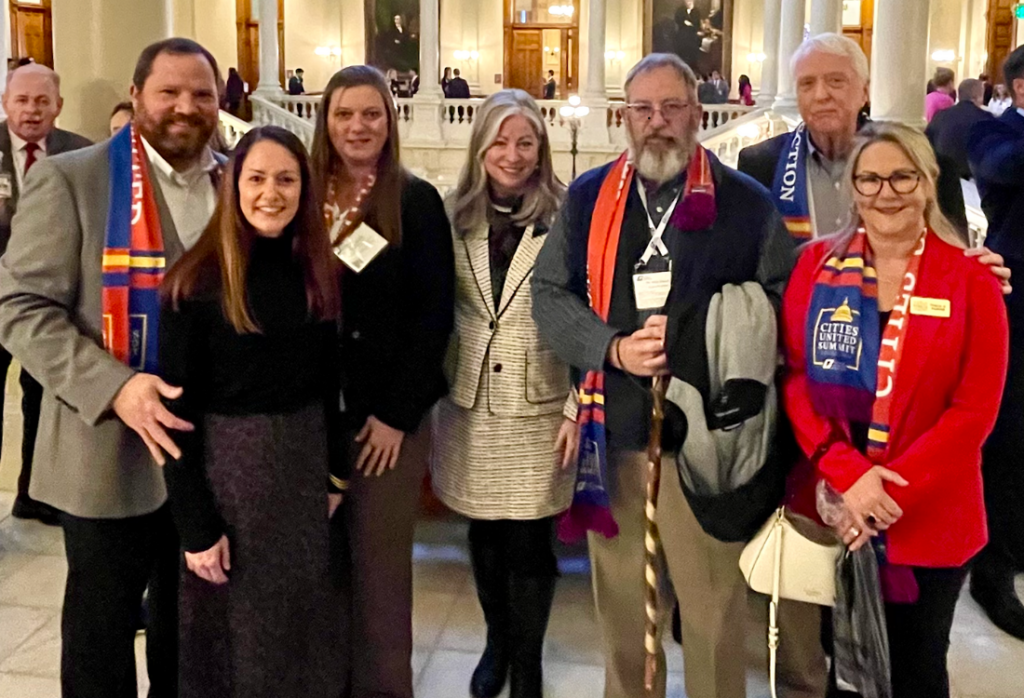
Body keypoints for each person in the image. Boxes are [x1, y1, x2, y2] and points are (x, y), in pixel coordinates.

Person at [532, 53, 794, 698]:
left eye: (672, 107)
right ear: (624, 118)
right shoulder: (589, 196)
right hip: (615, 431)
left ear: (697, 114)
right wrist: (612, 349)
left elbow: (782, 300)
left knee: (711, 614)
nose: (657, 123)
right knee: (624, 613)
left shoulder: (747, 203)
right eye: (643, 110)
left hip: (710, 444)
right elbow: (550, 294)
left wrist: (713, 344)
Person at [0, 37, 223, 698]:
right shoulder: (74, 179)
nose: (186, 107)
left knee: (191, 633)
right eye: (169, 92)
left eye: (202, 94)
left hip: (208, 457)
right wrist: (116, 387)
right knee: (101, 634)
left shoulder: (240, 180)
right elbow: (19, 307)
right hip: (104, 455)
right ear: (136, 96)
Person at [783, 122, 1008, 698]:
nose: (887, 192)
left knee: (917, 662)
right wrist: (849, 478)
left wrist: (886, 496)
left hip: (931, 513)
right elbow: (797, 379)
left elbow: (975, 409)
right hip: (837, 502)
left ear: (928, 183)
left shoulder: (971, 280)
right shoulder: (813, 269)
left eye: (902, 176)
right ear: (853, 188)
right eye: (871, 178)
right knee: (844, 662)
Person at [159, 125, 345, 698]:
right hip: (229, 482)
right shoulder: (195, 282)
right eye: (257, 178)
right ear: (232, 185)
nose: (272, 192)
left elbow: (330, 386)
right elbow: (175, 420)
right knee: (236, 644)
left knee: (302, 633)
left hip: (302, 473)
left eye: (286, 179)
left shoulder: (320, 274)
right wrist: (196, 527)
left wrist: (336, 474)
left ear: (304, 189)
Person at [311, 65, 454, 698]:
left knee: (379, 577)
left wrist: (397, 415)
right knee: (321, 570)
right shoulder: (301, 193)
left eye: (371, 114)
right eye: (345, 114)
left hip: (385, 425)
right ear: (326, 121)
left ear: (389, 121)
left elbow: (434, 318)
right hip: (308, 417)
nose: (358, 126)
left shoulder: (414, 200)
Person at [432, 89, 576, 698]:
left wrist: (580, 404)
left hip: (540, 403)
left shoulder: (568, 216)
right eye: (500, 141)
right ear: (480, 146)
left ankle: (530, 662)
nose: (512, 155)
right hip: (467, 404)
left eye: (525, 142)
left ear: (540, 149)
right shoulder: (450, 215)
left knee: (530, 541)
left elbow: (590, 314)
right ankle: (496, 642)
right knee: (485, 536)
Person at [739, 34, 969, 240]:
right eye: (807, 84)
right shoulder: (760, 166)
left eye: (836, 81)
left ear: (864, 93)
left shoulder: (923, 164)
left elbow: (957, 256)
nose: (821, 95)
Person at [0, 64, 91, 527]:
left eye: (41, 101)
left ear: (58, 105)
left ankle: (35, 494)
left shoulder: (82, 154)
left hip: (49, 307)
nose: (31, 111)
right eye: (22, 101)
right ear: (5, 103)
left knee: (44, 401)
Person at [968, 44, 1024, 640]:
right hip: (1016, 298)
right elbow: (1003, 169)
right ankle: (993, 571)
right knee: (1009, 438)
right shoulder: (990, 131)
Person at [926, 78, 993, 180]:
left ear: (958, 95)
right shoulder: (986, 119)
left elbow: (927, 143)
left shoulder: (941, 116)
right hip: (973, 179)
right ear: (979, 96)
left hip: (943, 176)